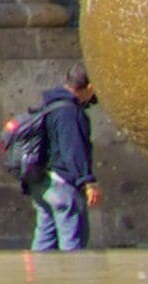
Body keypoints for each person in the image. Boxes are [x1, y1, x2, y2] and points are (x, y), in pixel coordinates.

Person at [23, 74, 101, 252]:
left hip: (42, 183)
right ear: (88, 88)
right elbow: (74, 149)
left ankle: (37, 278)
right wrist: (87, 181)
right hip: (62, 184)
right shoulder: (71, 112)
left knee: (44, 242)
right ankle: (74, 278)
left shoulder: (49, 106)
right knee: (73, 243)